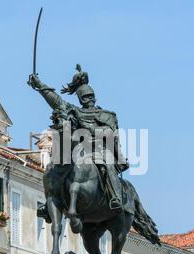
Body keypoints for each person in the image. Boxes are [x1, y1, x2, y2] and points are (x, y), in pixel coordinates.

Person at [28, 65, 128, 211]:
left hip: (101, 149)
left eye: (90, 96)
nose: (89, 99)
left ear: (95, 96)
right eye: (85, 97)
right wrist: (39, 85)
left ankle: (115, 197)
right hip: (81, 149)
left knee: (109, 165)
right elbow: (56, 101)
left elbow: (110, 132)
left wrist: (89, 130)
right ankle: (50, 202)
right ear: (80, 99)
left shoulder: (108, 115)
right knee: (57, 167)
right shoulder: (76, 112)